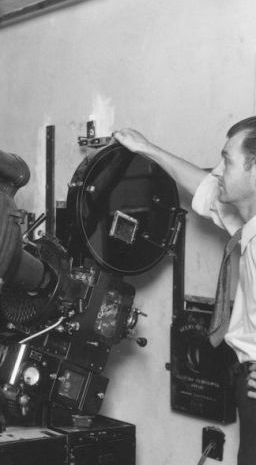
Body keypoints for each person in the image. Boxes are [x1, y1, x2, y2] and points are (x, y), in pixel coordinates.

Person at [113, 119, 256, 465]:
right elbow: (205, 188)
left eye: (227, 160)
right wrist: (148, 148)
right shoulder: (247, 223)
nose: (218, 169)